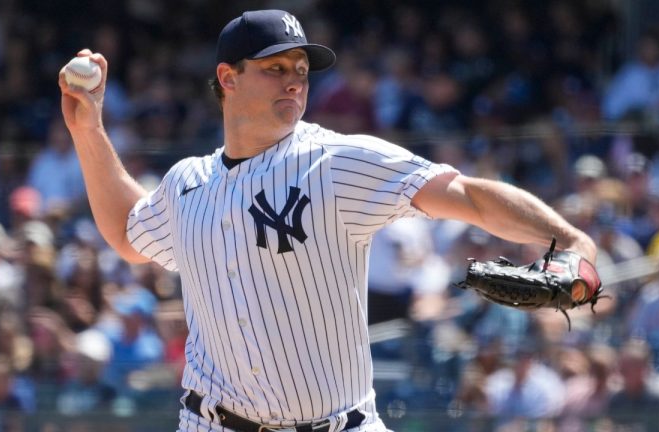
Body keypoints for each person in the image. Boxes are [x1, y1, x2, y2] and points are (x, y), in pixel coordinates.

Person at [58, 9, 597, 432]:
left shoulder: (335, 162)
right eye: (275, 69)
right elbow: (129, 230)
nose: (294, 81)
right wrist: (88, 131)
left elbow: (469, 196)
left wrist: (569, 239)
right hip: (209, 423)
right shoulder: (188, 183)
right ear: (228, 77)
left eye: (300, 70)